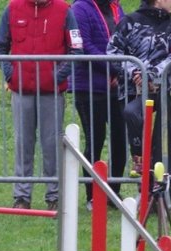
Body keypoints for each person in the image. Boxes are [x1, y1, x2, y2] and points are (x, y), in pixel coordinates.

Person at [0, 0, 83, 210]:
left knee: (52, 144)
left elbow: (76, 50)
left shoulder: (64, 10)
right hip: (21, 90)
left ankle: (54, 196)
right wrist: (11, 75)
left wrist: (56, 77)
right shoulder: (12, 9)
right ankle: (21, 197)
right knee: (22, 143)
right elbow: (0, 47)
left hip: (51, 92)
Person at [106, 0, 171, 177]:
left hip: (158, 91)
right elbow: (113, 51)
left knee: (159, 144)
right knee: (131, 113)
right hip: (130, 91)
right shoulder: (129, 22)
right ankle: (139, 158)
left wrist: (152, 74)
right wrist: (135, 72)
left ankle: (155, 189)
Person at [69, 0, 127, 211]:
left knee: (120, 139)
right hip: (89, 87)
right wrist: (114, 68)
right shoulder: (80, 8)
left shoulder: (116, 7)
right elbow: (84, 46)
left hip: (116, 88)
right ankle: (92, 195)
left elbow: (124, 38)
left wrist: (119, 70)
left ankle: (114, 191)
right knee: (95, 139)